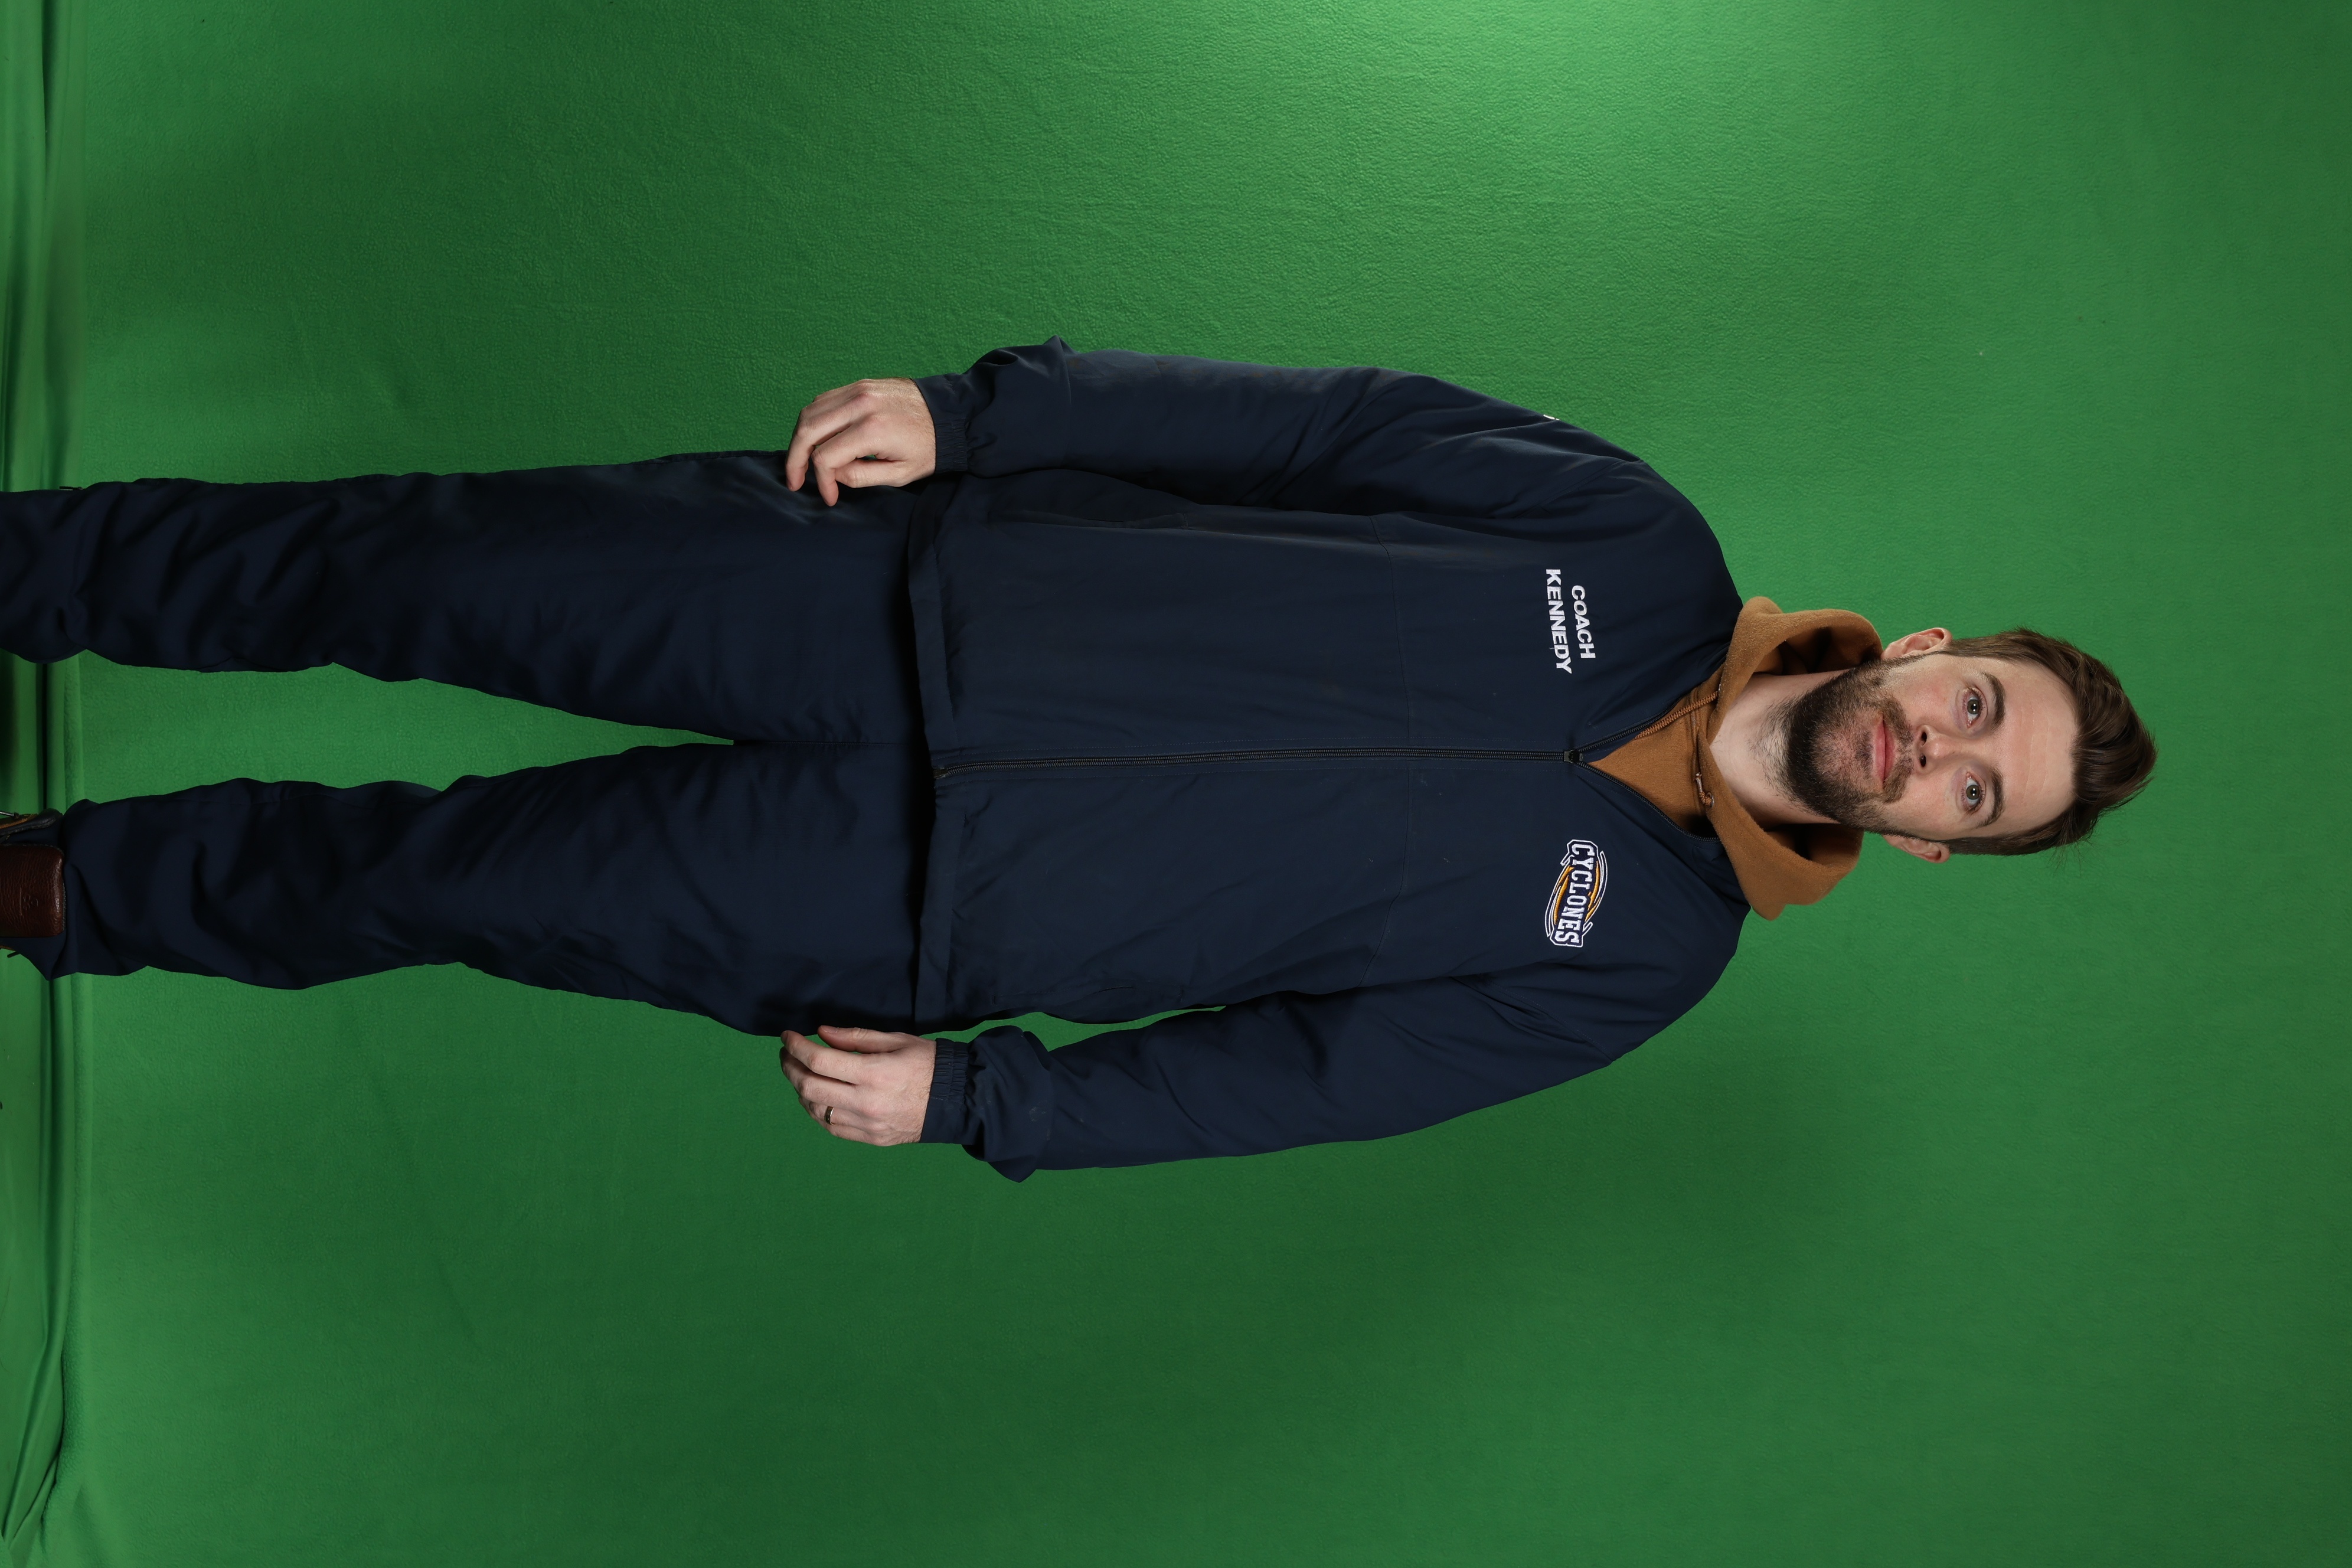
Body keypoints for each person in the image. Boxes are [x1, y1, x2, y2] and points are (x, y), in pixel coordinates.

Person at [0, 339, 2156, 1179]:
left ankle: (50, 887)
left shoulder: (1646, 956)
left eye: (1980, 792)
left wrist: (988, 1100)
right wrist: (981, 415)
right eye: (1980, 706)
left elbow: (1313, 1079)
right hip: (896, 585)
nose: (1939, 748)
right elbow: (1329, 431)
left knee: (434, 885)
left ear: (1935, 847)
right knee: (406, 566)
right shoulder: (1636, 539)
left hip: (906, 900)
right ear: (1939, 650)